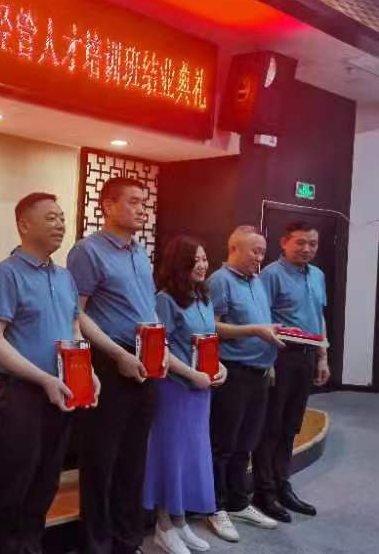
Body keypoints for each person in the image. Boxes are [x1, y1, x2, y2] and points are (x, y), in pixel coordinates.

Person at [0, 192, 99, 554]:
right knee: (14, 483)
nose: (60, 224)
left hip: (61, 392)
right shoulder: (6, 274)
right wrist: (44, 378)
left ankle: (31, 546)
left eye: (62, 218)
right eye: (50, 218)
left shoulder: (64, 277)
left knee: (46, 481)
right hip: (21, 395)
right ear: (24, 224)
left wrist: (88, 370)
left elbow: (74, 329)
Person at [67, 176, 168, 554]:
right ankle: (96, 545)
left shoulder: (139, 252)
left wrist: (159, 347)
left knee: (133, 459)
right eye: (134, 202)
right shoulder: (88, 251)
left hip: (146, 362)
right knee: (100, 461)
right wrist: (117, 355)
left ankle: (128, 542)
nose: (142, 209)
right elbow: (77, 314)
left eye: (145, 203)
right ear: (108, 205)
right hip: (110, 364)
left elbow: (146, 308)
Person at [143, 236, 227, 554]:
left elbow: (208, 342)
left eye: (205, 258)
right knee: (171, 457)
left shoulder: (203, 297)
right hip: (174, 389)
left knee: (191, 457)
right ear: (180, 263)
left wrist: (220, 367)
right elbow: (158, 349)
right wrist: (192, 374)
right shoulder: (164, 300)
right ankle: (163, 526)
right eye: (196, 260)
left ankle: (179, 522)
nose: (202, 265)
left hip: (201, 391)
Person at [205, 226, 285, 542]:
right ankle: (215, 506)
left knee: (246, 443)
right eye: (254, 251)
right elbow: (210, 326)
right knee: (222, 444)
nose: (259, 257)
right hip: (233, 373)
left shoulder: (257, 281)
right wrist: (253, 330)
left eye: (263, 252)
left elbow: (263, 325)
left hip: (259, 373)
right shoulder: (220, 280)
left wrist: (270, 362)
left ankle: (238, 502)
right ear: (233, 248)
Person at [253, 221, 330, 521]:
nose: (307, 249)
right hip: (280, 357)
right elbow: (260, 318)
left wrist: (323, 356)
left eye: (313, 243)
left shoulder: (318, 275)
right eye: (300, 242)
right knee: (270, 426)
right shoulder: (271, 275)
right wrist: (267, 361)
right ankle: (264, 492)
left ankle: (282, 484)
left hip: (308, 357)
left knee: (291, 426)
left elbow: (319, 316)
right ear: (284, 242)